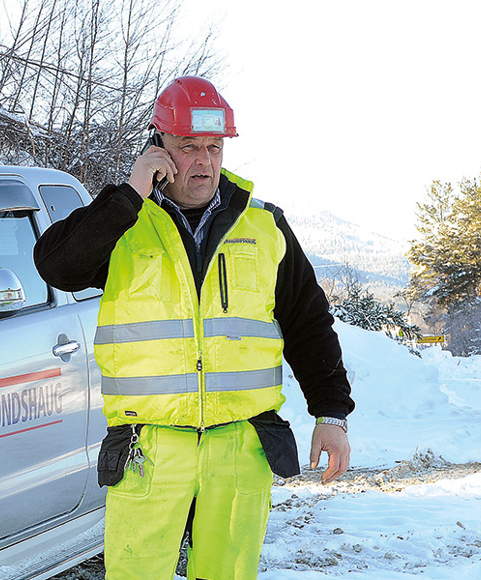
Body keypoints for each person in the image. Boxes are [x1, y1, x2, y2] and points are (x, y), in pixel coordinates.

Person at [33, 76, 354, 580]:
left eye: (213, 147)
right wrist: (128, 195)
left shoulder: (264, 227)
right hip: (148, 449)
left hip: (240, 446)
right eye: (188, 148)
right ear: (157, 147)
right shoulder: (123, 222)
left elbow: (309, 322)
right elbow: (56, 266)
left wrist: (331, 413)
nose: (203, 162)